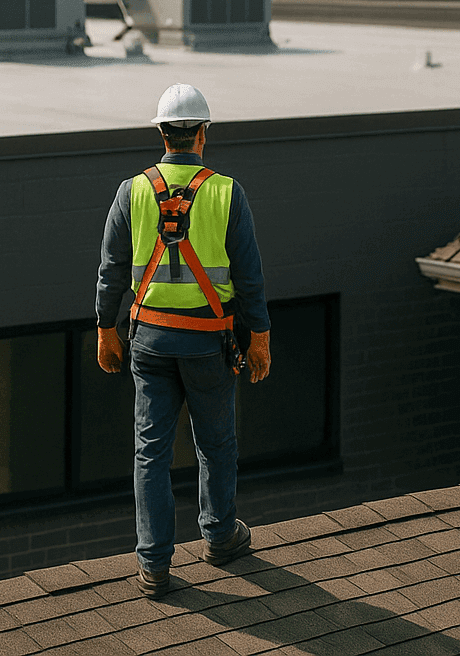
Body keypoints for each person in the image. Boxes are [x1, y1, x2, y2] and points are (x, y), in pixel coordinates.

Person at [95, 83, 272, 596]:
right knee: (215, 443)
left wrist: (106, 330)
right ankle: (219, 536)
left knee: (150, 452)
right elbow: (250, 276)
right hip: (207, 343)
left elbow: (110, 271)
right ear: (202, 134)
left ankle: (153, 565)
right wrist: (260, 339)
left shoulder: (131, 191)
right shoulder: (226, 192)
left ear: (161, 134)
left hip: (149, 341)